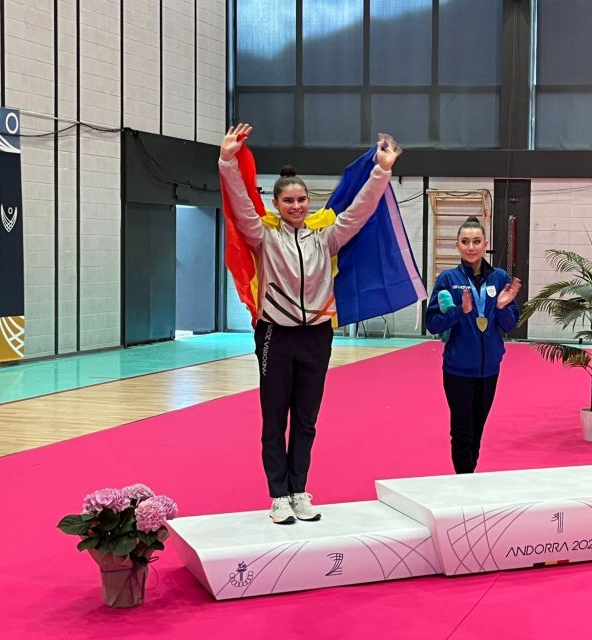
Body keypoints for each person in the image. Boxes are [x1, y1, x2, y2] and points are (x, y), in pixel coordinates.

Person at [218, 123, 402, 524]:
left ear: (309, 202)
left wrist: (382, 170)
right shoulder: (263, 237)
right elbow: (240, 205)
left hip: (317, 336)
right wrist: (227, 161)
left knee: (306, 420)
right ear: (276, 204)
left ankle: (299, 490)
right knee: (274, 418)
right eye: (289, 201)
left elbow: (360, 210)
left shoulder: (325, 239)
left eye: (302, 199)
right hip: (275, 335)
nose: (297, 206)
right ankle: (277, 496)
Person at [425, 216, 522, 474]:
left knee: (477, 431)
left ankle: (468, 478)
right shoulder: (448, 279)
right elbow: (432, 323)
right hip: (458, 370)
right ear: (457, 245)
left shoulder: (499, 278)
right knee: (462, 432)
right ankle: (465, 482)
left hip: (489, 370)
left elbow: (510, 323)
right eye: (465, 242)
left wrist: (501, 307)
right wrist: (460, 311)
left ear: (485, 245)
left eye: (477, 241)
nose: (471, 247)